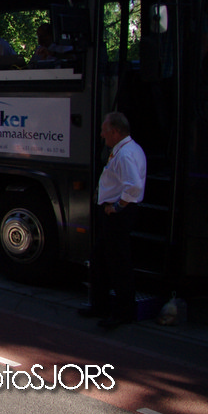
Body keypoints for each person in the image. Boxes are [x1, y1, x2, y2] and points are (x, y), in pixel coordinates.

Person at [80, 112, 146, 329]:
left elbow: (134, 186)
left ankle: (123, 312)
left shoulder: (125, 154)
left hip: (118, 215)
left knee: (118, 263)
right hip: (113, 212)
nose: (102, 135)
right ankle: (100, 305)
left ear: (116, 132)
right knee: (99, 258)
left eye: (104, 130)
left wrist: (117, 207)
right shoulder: (124, 149)